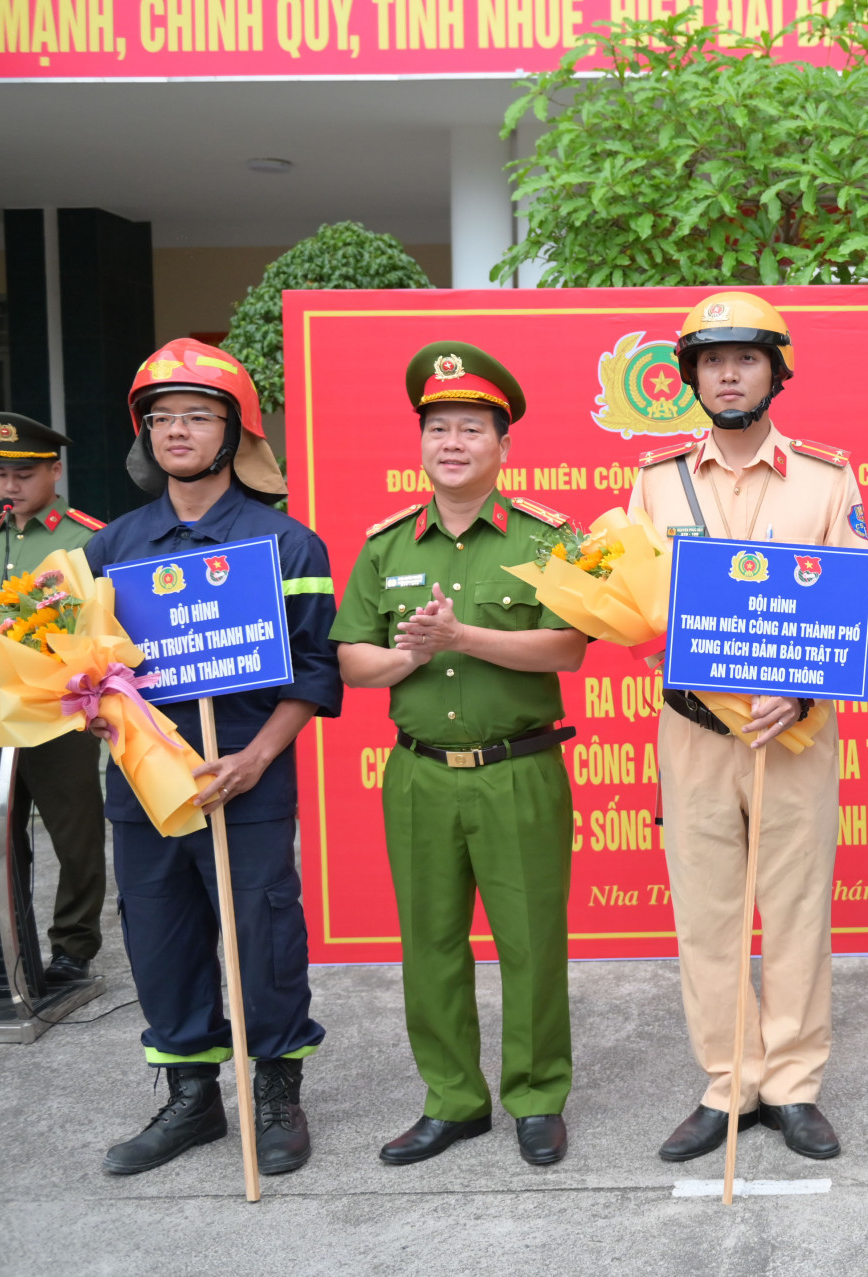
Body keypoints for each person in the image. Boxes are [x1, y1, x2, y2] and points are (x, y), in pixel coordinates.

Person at [84, 340, 342, 1177]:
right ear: (143, 435)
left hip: (247, 785)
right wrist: (88, 705)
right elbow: (84, 670)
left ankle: (275, 1091)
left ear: (236, 431)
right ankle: (191, 1098)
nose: (178, 431)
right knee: (158, 938)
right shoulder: (109, 549)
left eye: (198, 415)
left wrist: (258, 757)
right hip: (145, 790)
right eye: (162, 418)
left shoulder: (288, 545)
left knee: (265, 940)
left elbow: (314, 670)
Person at [331, 342, 587, 1168]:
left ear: (503, 446)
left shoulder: (547, 536)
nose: (452, 442)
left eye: (471, 429)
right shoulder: (385, 545)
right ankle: (453, 1098)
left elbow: (568, 648)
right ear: (421, 442)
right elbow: (351, 662)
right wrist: (413, 653)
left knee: (532, 940)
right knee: (430, 942)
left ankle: (537, 1096)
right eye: (438, 427)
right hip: (418, 774)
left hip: (518, 770)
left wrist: (461, 635)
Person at [628, 290, 868, 1163]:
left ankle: (794, 1084)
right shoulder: (657, 481)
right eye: (711, 360)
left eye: (746, 358)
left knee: (799, 908)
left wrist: (801, 692)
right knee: (708, 913)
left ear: (776, 371)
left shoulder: (827, 476)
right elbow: (634, 604)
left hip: (793, 732)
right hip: (692, 732)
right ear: (692, 375)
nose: (728, 374)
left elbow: (851, 605)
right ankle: (730, 1082)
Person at [0, 412, 108, 987]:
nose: (10, 485)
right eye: (0, 473)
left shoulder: (86, 538)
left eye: (23, 473)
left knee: (73, 831)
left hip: (57, 709)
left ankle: (73, 948)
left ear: (55, 470)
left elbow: (103, 629)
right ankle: (12, 942)